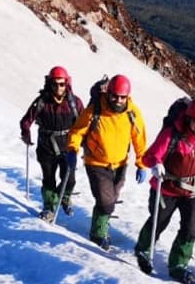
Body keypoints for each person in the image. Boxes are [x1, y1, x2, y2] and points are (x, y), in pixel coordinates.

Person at [134, 96, 195, 284]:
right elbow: (150, 156)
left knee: (190, 229)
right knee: (159, 221)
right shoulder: (172, 134)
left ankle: (178, 264)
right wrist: (156, 164)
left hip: (192, 191)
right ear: (189, 117)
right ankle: (143, 249)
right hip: (167, 188)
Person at [64, 74, 149, 250]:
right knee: (105, 200)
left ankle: (99, 225)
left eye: (122, 97)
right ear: (108, 93)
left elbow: (139, 138)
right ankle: (99, 233)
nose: (118, 100)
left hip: (120, 164)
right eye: (115, 96)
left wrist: (141, 163)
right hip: (96, 163)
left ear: (127, 96)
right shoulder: (95, 110)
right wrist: (73, 149)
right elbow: (77, 131)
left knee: (111, 198)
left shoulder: (132, 113)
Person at [20, 66, 85, 221]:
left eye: (61, 84)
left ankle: (64, 196)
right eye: (55, 84)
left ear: (67, 83)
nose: (58, 87)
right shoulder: (42, 102)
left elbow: (83, 124)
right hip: (46, 147)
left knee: (70, 179)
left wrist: (85, 144)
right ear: (49, 83)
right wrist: (26, 133)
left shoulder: (74, 103)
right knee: (48, 179)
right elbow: (26, 120)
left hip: (68, 148)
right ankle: (49, 207)